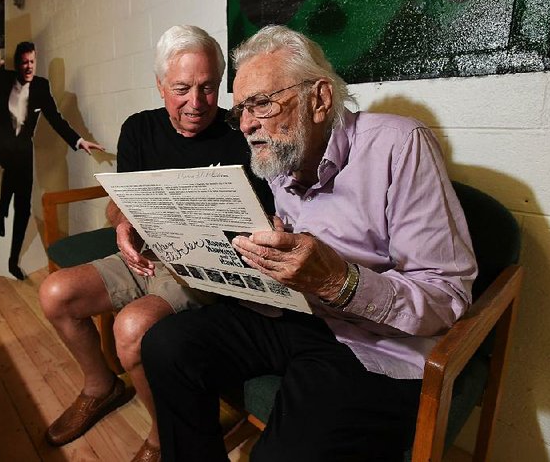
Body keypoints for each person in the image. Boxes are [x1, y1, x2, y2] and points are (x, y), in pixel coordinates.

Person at [140, 25, 478, 461]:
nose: (245, 124)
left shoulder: (399, 144)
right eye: (240, 108)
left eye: (260, 103)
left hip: (367, 340)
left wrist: (341, 281)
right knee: (166, 345)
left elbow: (447, 296)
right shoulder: (281, 154)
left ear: (319, 99)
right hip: (292, 312)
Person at [38, 25, 273, 462]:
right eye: (182, 88)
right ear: (160, 85)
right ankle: (100, 387)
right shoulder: (139, 129)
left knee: (131, 326)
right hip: (143, 255)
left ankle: (164, 434)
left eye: (208, 88)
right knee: (55, 294)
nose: (196, 103)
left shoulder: (240, 132)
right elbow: (117, 204)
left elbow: (263, 218)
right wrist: (122, 223)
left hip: (200, 268)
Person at [0, 41, 104, 280]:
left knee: (23, 206)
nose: (29, 66)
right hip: (5, 150)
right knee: (9, 192)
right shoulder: (4, 79)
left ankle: (12, 261)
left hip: (24, 153)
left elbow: (56, 120)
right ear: (17, 63)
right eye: (25, 62)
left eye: (33, 62)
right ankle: (0, 216)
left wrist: (79, 141)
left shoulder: (41, 86)